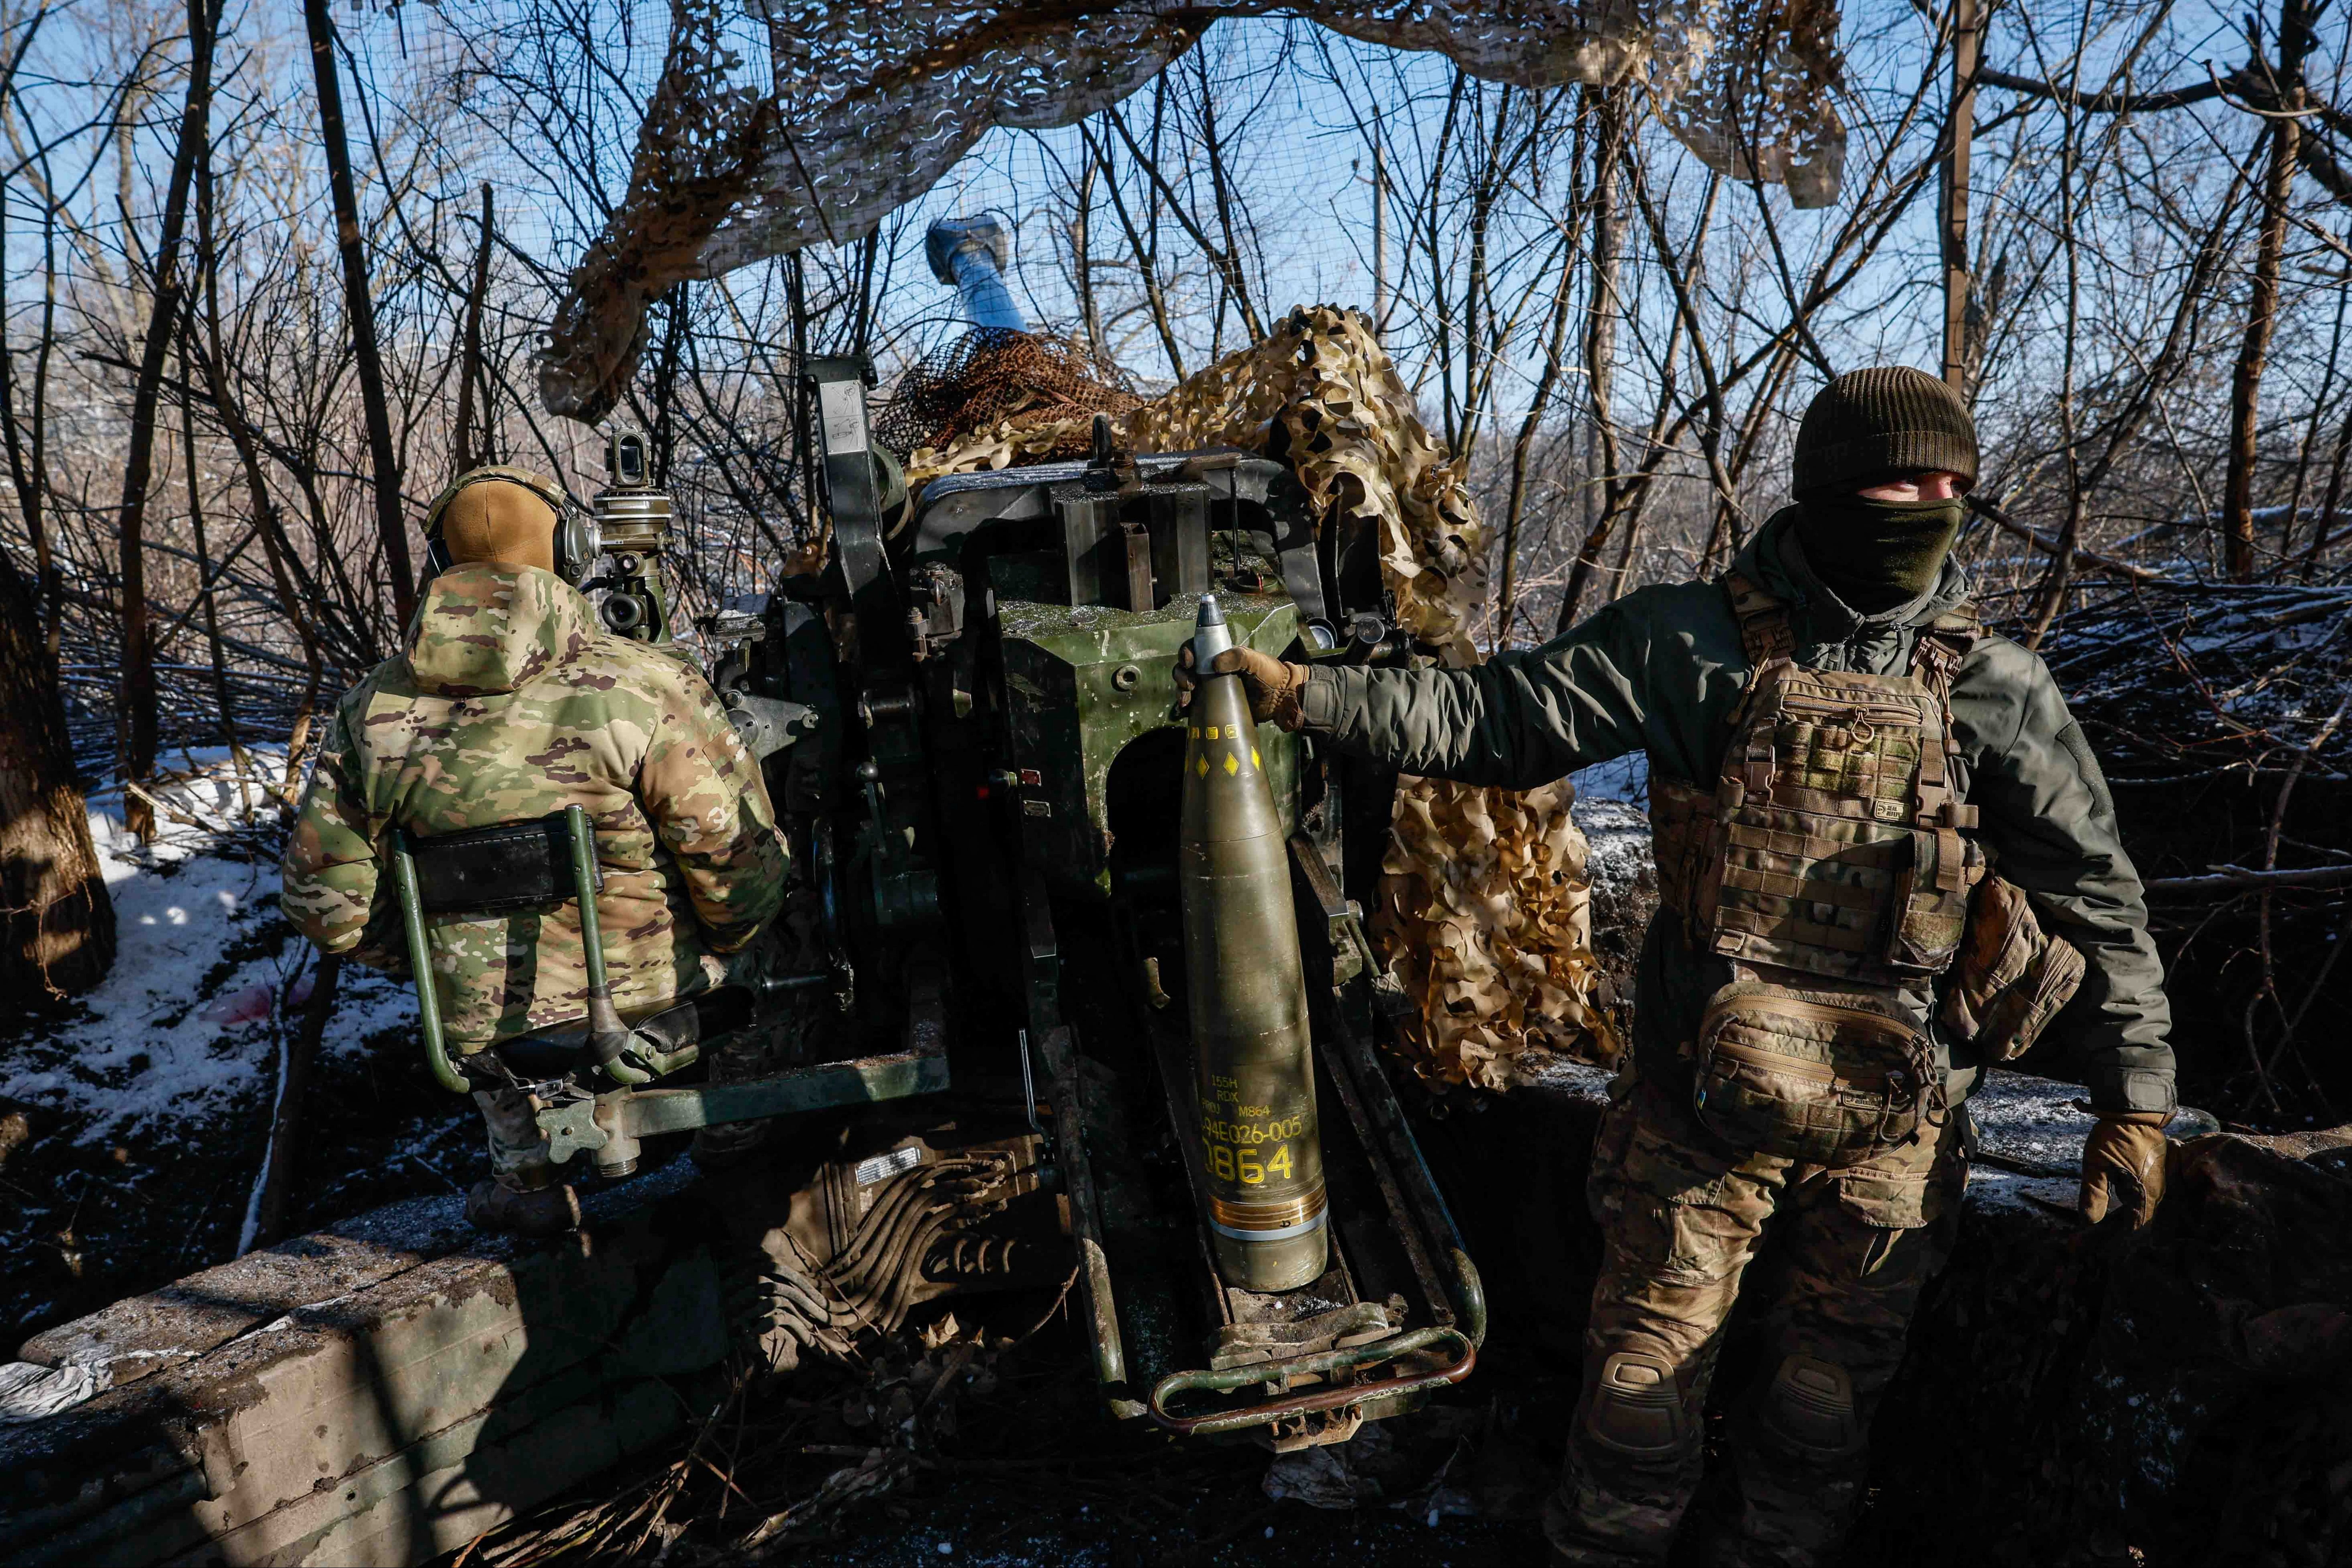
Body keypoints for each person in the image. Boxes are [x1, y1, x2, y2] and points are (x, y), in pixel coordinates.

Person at [1180, 366, 2175, 1566]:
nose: (1929, 502)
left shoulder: (1996, 689)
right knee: (1638, 1409)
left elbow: (2097, 896)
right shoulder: (1686, 640)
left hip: (1897, 1131)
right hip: (1696, 1116)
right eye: (1898, 479)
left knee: (1821, 1425)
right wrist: (1308, 695)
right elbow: (1496, 720)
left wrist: (2138, 1102)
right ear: (1826, 489)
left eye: (1950, 483)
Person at [280, 466, 790, 1237]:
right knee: (779, 930)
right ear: (574, 550)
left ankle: (528, 1181)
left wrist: (434, 961)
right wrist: (728, 943)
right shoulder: (646, 684)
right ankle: (737, 1142)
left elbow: (324, 905)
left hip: (490, 1034)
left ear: (438, 567)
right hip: (658, 1007)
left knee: (483, 1009)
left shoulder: (370, 710)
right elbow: (733, 856)